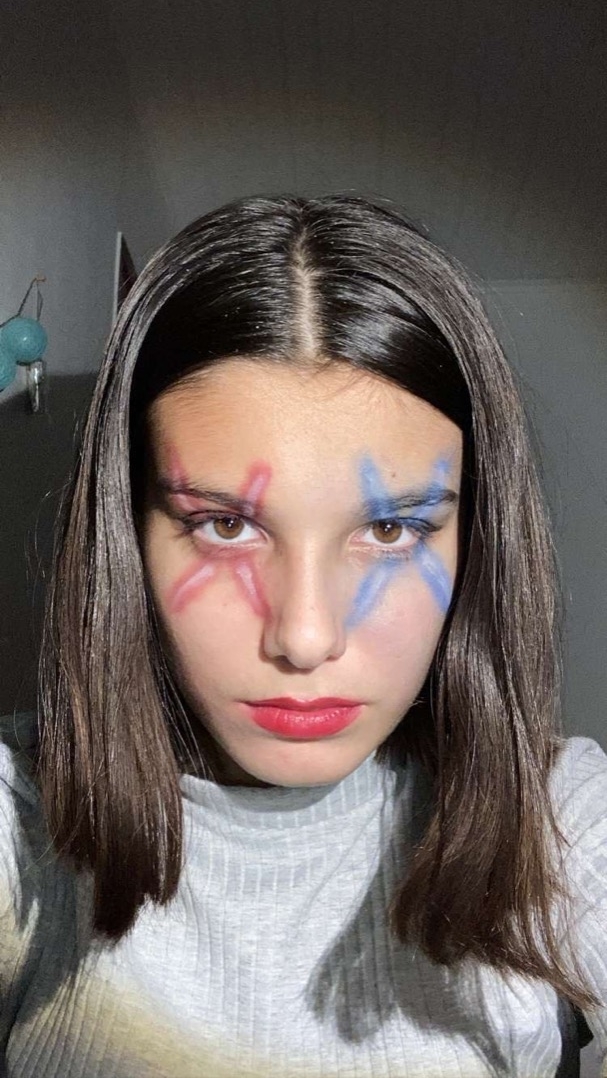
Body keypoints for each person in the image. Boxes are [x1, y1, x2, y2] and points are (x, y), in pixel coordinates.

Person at [0, 194, 605, 1077]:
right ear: (128, 537)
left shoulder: (561, 821)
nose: (307, 638)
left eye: (390, 529)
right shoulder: (17, 821)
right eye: (226, 526)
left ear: (474, 541)